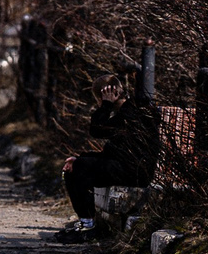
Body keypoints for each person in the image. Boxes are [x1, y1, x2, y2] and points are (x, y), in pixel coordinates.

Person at [60, 70, 160, 235]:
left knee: (79, 168)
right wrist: (79, 158)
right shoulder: (128, 111)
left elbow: (97, 130)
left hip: (135, 171)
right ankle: (86, 221)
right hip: (127, 166)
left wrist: (105, 106)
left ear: (101, 97)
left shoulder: (132, 112)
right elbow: (112, 153)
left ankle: (88, 224)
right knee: (76, 166)